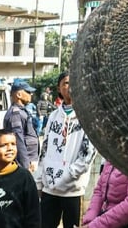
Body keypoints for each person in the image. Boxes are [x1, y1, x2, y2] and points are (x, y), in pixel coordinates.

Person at [35, 73, 96, 228]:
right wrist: (40, 181)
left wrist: (67, 176)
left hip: (73, 190)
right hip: (50, 189)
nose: (71, 86)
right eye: (67, 83)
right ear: (59, 88)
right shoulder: (53, 116)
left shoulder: (88, 117)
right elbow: (45, 149)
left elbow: (87, 154)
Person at [3, 81, 38, 172]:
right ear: (19, 94)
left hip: (28, 160)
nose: (31, 94)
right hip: (23, 163)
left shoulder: (21, 111)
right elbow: (18, 140)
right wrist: (25, 165)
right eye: (28, 92)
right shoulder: (16, 114)